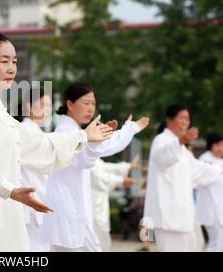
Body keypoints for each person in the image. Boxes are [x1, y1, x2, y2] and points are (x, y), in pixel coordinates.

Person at [0, 32, 113, 252]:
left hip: (4, 216)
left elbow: (38, 145)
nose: (12, 68)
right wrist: (8, 190)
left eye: (14, 61)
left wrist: (83, 136)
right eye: (3, 61)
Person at [42, 83, 149, 252]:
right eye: (86, 103)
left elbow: (103, 148)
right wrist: (126, 130)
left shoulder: (73, 130)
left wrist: (125, 130)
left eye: (93, 103)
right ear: (70, 104)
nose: (91, 108)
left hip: (74, 209)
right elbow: (85, 158)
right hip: (69, 210)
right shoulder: (65, 132)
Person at [143, 104, 223, 252]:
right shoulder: (161, 140)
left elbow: (198, 169)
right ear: (169, 119)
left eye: (187, 119)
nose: (185, 122)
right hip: (166, 214)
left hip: (182, 215)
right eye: (182, 118)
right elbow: (162, 157)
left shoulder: (183, 150)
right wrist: (181, 141)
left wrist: (219, 169)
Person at [16, 86, 52, 251]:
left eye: (49, 106)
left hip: (37, 201)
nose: (48, 110)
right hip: (31, 203)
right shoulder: (27, 131)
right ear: (30, 107)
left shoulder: (34, 131)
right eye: (43, 105)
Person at [91, 155, 138, 251]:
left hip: (98, 201)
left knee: (101, 231)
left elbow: (106, 167)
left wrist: (128, 165)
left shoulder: (94, 158)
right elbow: (99, 176)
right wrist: (121, 180)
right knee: (96, 231)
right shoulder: (85, 154)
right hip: (92, 200)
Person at [195, 132, 223, 251]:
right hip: (211, 209)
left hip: (219, 208)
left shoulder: (220, 161)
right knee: (216, 243)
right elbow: (203, 179)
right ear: (211, 145)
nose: (221, 148)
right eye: (217, 144)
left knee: (218, 243)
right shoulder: (205, 159)